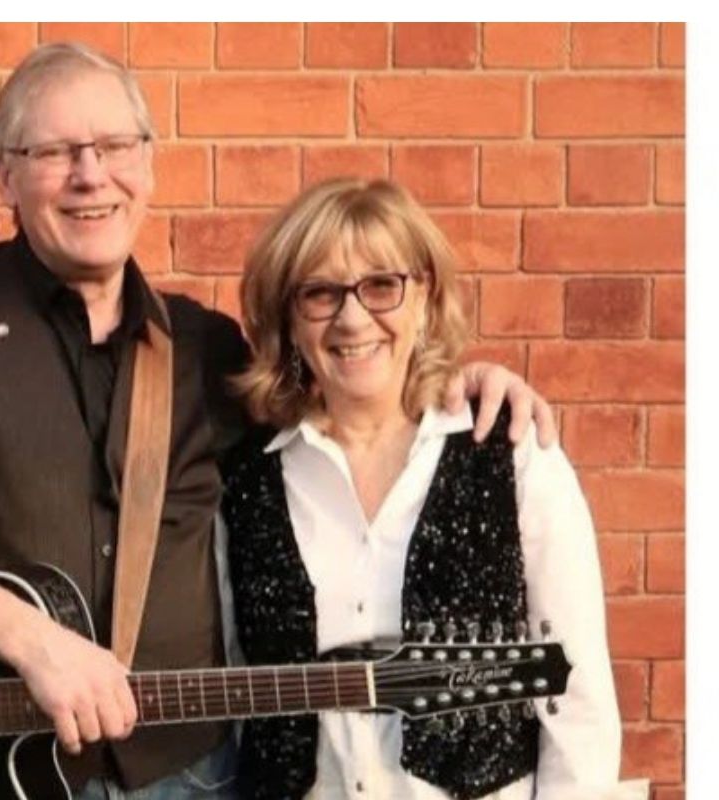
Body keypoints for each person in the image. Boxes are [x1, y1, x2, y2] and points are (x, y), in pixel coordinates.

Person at [0, 43, 555, 799]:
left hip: (192, 775)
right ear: (4, 173)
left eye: (114, 146)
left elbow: (345, 400)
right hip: (6, 776)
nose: (90, 175)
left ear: (148, 164)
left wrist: (453, 385)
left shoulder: (206, 348)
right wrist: (31, 640)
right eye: (56, 152)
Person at [221, 178, 641, 799]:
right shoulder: (244, 481)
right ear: (289, 318)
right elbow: (240, 691)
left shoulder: (511, 452)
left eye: (381, 286)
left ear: (424, 298)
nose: (352, 318)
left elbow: (577, 700)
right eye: (320, 293)